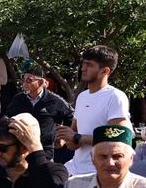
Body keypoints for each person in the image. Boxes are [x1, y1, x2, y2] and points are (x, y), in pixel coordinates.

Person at [55, 46, 131, 175]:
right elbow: (75, 135)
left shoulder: (115, 97)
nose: (83, 68)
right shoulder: (82, 96)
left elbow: (118, 139)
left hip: (98, 173)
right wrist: (64, 138)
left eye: (89, 65)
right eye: (83, 64)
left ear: (105, 71)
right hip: (75, 168)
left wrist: (78, 138)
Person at [5, 65, 74, 160]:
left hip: (44, 150)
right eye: (23, 79)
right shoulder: (18, 99)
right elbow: (8, 117)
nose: (24, 83)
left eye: (29, 80)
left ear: (40, 82)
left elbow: (71, 117)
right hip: (21, 148)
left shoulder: (55, 101)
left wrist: (63, 137)